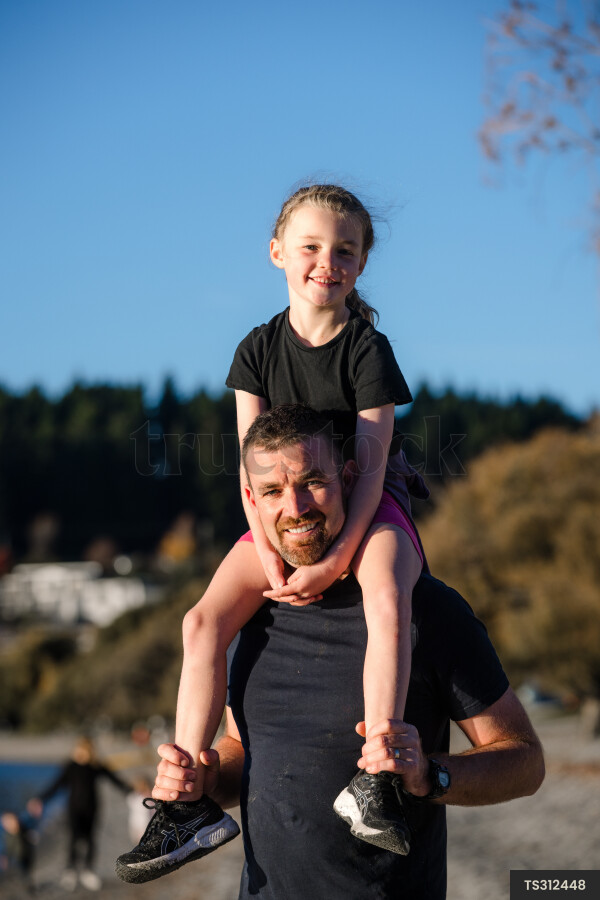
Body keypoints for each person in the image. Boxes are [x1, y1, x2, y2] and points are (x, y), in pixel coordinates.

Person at [116, 183, 429, 882]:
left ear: (362, 263)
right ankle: (188, 798)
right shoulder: (256, 350)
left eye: (345, 250)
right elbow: (249, 468)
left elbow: (373, 472)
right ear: (277, 253)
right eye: (312, 246)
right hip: (283, 513)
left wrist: (337, 559)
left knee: (386, 598)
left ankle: (375, 775)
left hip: (370, 506)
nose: (328, 261)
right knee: (202, 622)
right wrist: (278, 554)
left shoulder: (365, 350)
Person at [146, 405, 545, 899]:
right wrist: (204, 780)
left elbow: (525, 762)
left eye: (312, 481)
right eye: (272, 491)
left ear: (350, 479)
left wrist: (427, 775)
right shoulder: (249, 617)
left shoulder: (424, 610)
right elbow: (247, 753)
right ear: (252, 499)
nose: (294, 508)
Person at [29, 736, 130, 892]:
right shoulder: (70, 767)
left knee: (90, 839)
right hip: (74, 809)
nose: (82, 752)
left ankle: (88, 870)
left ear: (91, 750)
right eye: (80, 748)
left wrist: (131, 791)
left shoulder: (96, 766)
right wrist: (40, 799)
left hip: (92, 807)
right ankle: (70, 871)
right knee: (74, 838)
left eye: (86, 749)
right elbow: (56, 785)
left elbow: (115, 780)